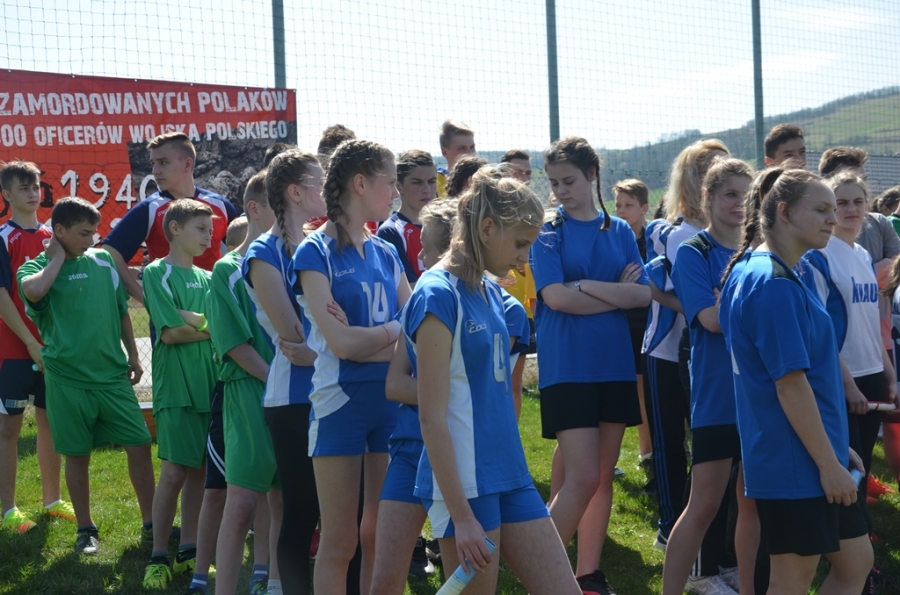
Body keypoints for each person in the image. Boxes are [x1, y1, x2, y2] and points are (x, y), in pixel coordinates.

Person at [407, 167, 582, 595]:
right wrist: (461, 516)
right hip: (467, 486)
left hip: (511, 474)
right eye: (520, 243)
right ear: (487, 228)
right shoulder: (436, 294)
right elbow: (431, 417)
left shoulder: (489, 290)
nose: (524, 259)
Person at [719, 167, 872, 595]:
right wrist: (827, 464)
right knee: (791, 582)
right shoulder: (772, 283)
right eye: (821, 209)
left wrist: (835, 447)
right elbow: (789, 386)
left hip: (810, 452)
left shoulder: (776, 271)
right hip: (794, 462)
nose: (833, 218)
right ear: (784, 212)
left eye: (833, 209)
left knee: (856, 562)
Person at [532, 136, 650, 594]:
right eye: (554, 182)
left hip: (614, 363)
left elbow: (643, 295)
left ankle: (587, 576)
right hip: (568, 366)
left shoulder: (618, 230)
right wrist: (612, 292)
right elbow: (555, 297)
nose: (561, 190)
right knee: (581, 477)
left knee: (600, 477)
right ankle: (540, 573)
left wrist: (582, 285)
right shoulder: (548, 231)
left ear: (592, 175)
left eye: (569, 181)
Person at [293, 139, 409, 595]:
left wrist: (372, 340)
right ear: (360, 183)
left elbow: (415, 334)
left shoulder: (386, 252)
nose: (396, 193)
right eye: (390, 182)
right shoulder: (314, 252)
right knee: (339, 541)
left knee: (379, 533)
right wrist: (392, 332)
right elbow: (341, 345)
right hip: (339, 404)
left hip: (390, 400)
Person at [18, 197, 155, 555]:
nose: (91, 240)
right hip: (67, 380)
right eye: (83, 233)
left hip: (112, 376)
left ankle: (152, 523)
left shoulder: (104, 261)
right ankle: (86, 529)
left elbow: (121, 312)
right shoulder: (36, 268)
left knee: (140, 444)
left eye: (94, 233)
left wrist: (133, 355)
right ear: (58, 231)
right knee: (77, 455)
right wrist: (56, 258)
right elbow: (33, 291)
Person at [665, 158, 758, 595]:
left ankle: (748, 583)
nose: (739, 204)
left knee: (751, 503)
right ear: (708, 197)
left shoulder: (758, 252)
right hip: (718, 395)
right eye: (729, 194)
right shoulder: (694, 252)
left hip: (758, 395)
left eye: (746, 195)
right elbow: (711, 319)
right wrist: (743, 309)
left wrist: (730, 303)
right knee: (703, 504)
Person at [244, 149, 326, 595]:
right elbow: (295, 337)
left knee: (343, 514)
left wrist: (336, 344)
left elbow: (333, 332)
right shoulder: (263, 253)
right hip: (293, 398)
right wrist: (345, 343)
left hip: (335, 387)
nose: (327, 187)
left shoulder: (322, 244)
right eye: (319, 180)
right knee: (302, 512)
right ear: (296, 192)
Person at [800, 172, 899, 535]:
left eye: (858, 201)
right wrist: (847, 384)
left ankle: (855, 539)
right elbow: (820, 330)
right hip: (842, 377)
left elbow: (870, 323)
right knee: (846, 464)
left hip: (871, 371)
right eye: (840, 203)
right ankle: (847, 544)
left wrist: (889, 373)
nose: (850, 209)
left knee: (863, 464)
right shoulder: (817, 257)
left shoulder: (862, 254)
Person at [642, 139, 728, 552]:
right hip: (667, 348)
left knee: (706, 442)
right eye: (708, 168)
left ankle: (705, 530)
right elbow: (678, 296)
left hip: (704, 354)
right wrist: (707, 306)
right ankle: (669, 524)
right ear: (693, 180)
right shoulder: (681, 234)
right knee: (669, 442)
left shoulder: (727, 234)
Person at [368, 198, 457, 593]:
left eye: (427, 249)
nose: (418, 257)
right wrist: (449, 397)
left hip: (460, 457)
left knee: (460, 579)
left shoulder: (496, 305)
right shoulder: (421, 301)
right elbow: (394, 385)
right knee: (385, 579)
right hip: (409, 450)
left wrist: (436, 396)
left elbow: (492, 400)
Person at [204, 172, 282, 595]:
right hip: (250, 392)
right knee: (242, 503)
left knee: (284, 496)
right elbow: (234, 346)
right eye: (281, 208)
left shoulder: (298, 261)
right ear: (255, 209)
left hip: (294, 396)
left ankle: (273, 581)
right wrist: (280, 378)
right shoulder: (227, 270)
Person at [142, 200, 218, 589]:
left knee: (201, 471)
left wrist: (197, 321)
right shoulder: (157, 272)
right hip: (176, 388)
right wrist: (208, 326)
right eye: (200, 229)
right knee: (174, 471)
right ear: (174, 228)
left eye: (210, 230)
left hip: (210, 384)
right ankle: (158, 556)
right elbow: (170, 333)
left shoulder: (210, 278)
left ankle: (188, 550)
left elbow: (219, 327)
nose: (208, 237)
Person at [0, 161, 74, 533]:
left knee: (50, 427)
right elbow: (2, 296)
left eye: (36, 187)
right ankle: (9, 510)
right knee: (8, 431)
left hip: (52, 350)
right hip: (13, 352)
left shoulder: (53, 238)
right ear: (7, 195)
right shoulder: (3, 238)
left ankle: (52, 501)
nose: (33, 193)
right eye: (24, 187)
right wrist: (30, 343)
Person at [101, 132, 238, 303]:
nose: (155, 171)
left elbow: (243, 249)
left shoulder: (220, 206)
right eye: (153, 163)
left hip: (216, 308)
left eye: (163, 162)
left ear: (187, 164)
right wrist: (149, 300)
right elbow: (109, 253)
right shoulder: (150, 209)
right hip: (172, 313)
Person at [613, 178, 653, 483]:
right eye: (618, 205)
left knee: (653, 390)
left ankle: (658, 448)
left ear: (644, 208)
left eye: (629, 205)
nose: (622, 211)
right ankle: (646, 451)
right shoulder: (613, 238)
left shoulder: (653, 240)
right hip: (624, 323)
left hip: (651, 322)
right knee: (635, 390)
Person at [376, 150, 437, 285]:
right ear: (399, 187)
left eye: (432, 181)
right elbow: (410, 291)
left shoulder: (444, 227)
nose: (426, 189)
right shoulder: (391, 231)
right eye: (417, 182)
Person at [436, 120, 476, 198]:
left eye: (472, 147)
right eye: (462, 148)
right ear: (445, 152)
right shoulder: (435, 182)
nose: (469, 153)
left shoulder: (483, 179)